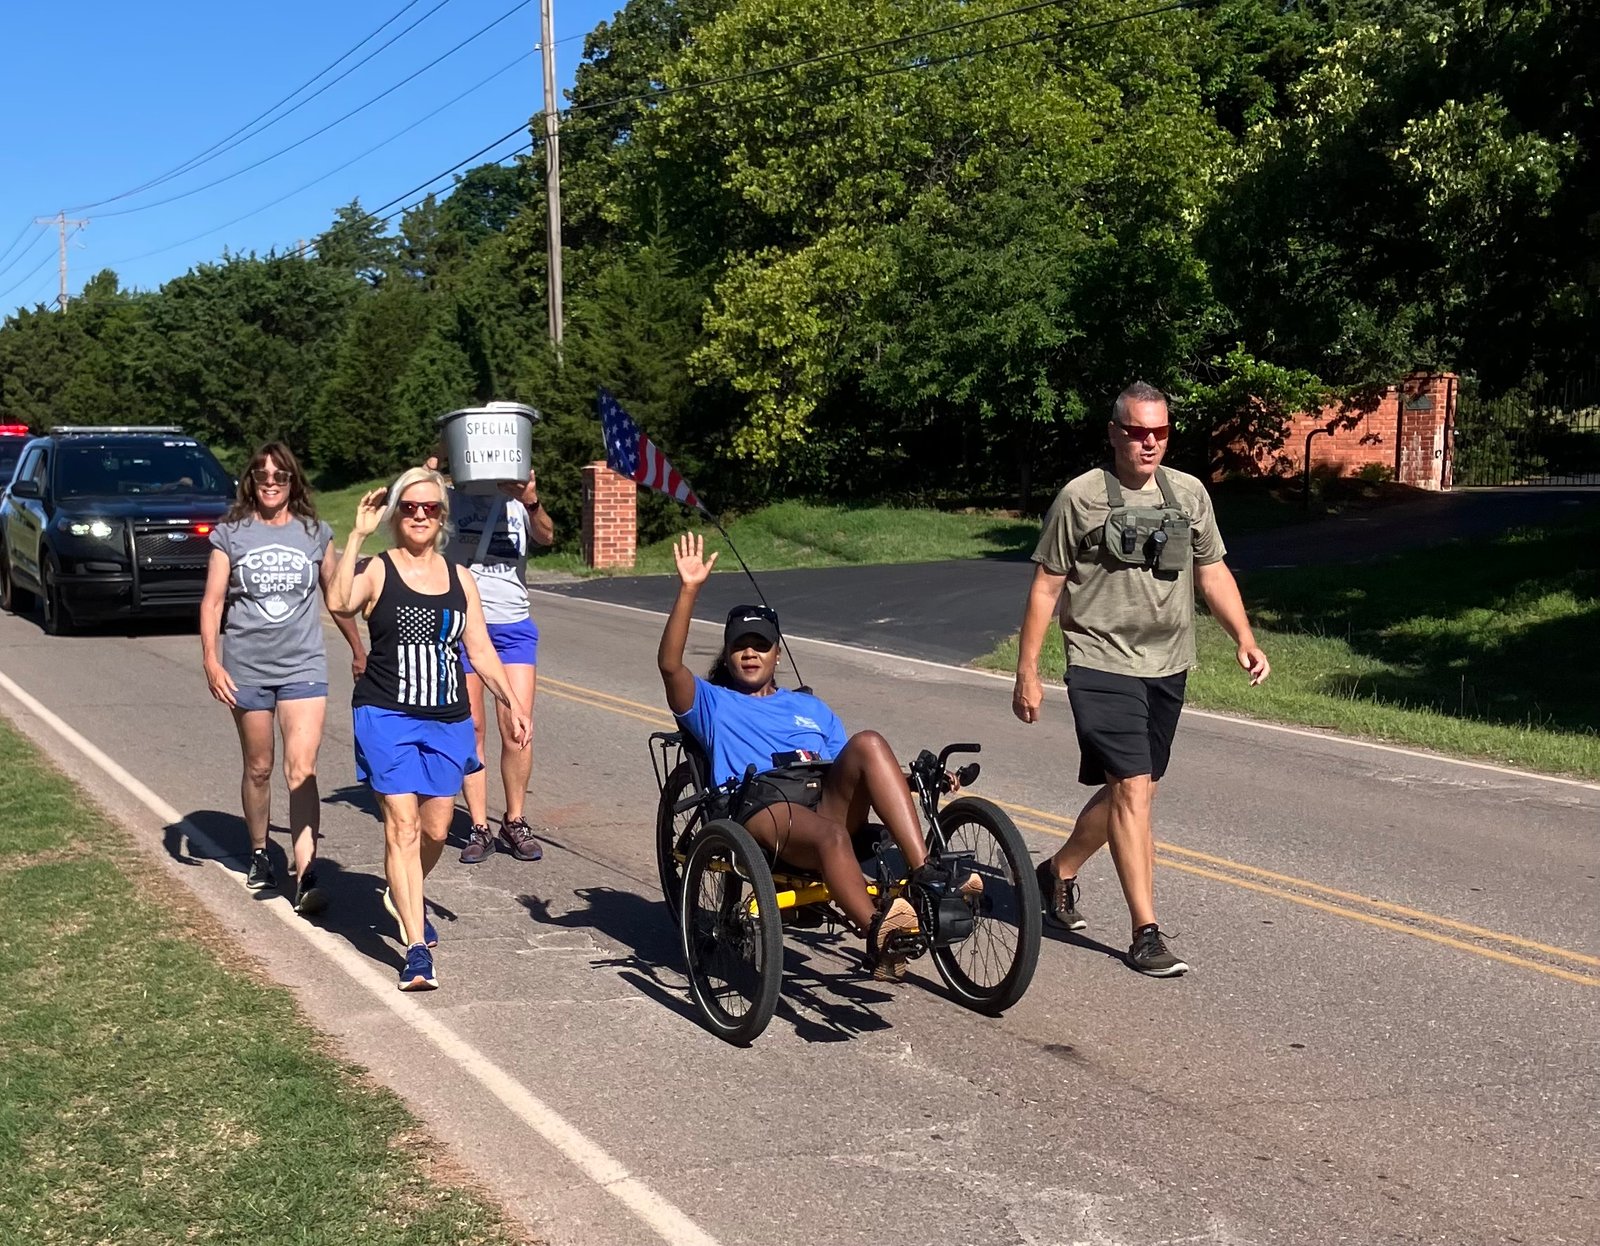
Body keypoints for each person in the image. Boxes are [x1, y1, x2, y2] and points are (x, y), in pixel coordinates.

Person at [1012, 381, 1270, 977]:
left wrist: (1244, 637)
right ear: (1114, 433)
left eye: (1159, 432)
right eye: (1136, 432)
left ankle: (1057, 872)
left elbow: (1212, 572)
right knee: (1131, 790)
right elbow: (1046, 586)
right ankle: (1145, 934)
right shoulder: (1080, 499)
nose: (1148, 442)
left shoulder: (1188, 494)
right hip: (1100, 661)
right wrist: (1028, 671)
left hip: (1168, 664)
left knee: (1138, 790)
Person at [659, 533, 975, 982]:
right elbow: (670, 665)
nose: (750, 653)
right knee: (830, 837)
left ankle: (927, 877)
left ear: (777, 654)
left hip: (821, 795)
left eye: (761, 644)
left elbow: (857, 772)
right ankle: (879, 932)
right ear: (727, 655)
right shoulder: (712, 702)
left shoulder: (809, 707)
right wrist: (689, 591)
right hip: (762, 805)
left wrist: (917, 781)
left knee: (868, 742)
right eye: (740, 645)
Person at [327, 467, 529, 991]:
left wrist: (510, 702)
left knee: (437, 830)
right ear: (396, 514)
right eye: (410, 507)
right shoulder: (378, 569)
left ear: (442, 517)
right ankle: (416, 950)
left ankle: (402, 891)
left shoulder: (460, 579)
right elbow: (339, 602)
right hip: (386, 714)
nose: (420, 515)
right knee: (403, 826)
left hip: (448, 717)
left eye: (430, 508)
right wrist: (356, 536)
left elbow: (480, 648)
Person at [200, 442, 366, 915]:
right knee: (259, 767)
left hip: (302, 665)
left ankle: (306, 872)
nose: (271, 483)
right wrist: (211, 660)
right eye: (262, 475)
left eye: (280, 476)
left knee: (302, 768)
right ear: (250, 482)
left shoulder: (314, 532)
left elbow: (337, 598)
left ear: (293, 482)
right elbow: (213, 602)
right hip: (247, 667)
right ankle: (259, 851)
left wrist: (359, 648)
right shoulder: (230, 534)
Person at [432, 461, 555, 864]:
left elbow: (547, 535)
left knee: (518, 727)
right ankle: (479, 825)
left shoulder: (517, 499)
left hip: (513, 626)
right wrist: (436, 459)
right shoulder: (450, 497)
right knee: (473, 727)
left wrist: (531, 500)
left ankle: (515, 821)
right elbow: (409, 496)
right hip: (465, 625)